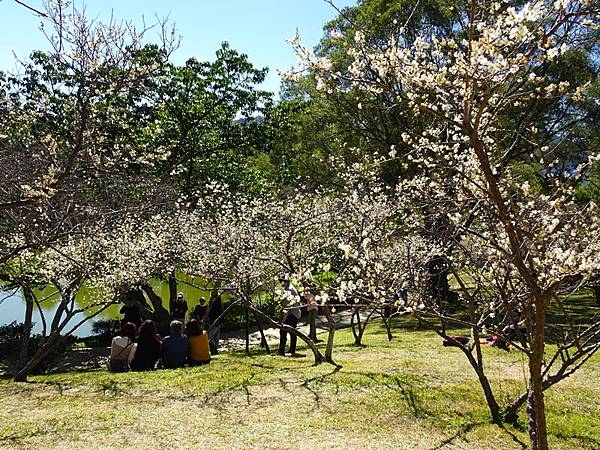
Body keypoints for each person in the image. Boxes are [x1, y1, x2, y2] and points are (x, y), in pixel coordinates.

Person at [278, 277, 301, 356]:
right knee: (292, 333)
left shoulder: (290, 290)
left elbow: (288, 306)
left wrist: (283, 319)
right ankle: (291, 350)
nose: (281, 283)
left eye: (282, 281)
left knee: (283, 331)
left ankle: (282, 351)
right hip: (294, 313)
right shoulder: (289, 288)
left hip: (292, 314)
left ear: (285, 281)